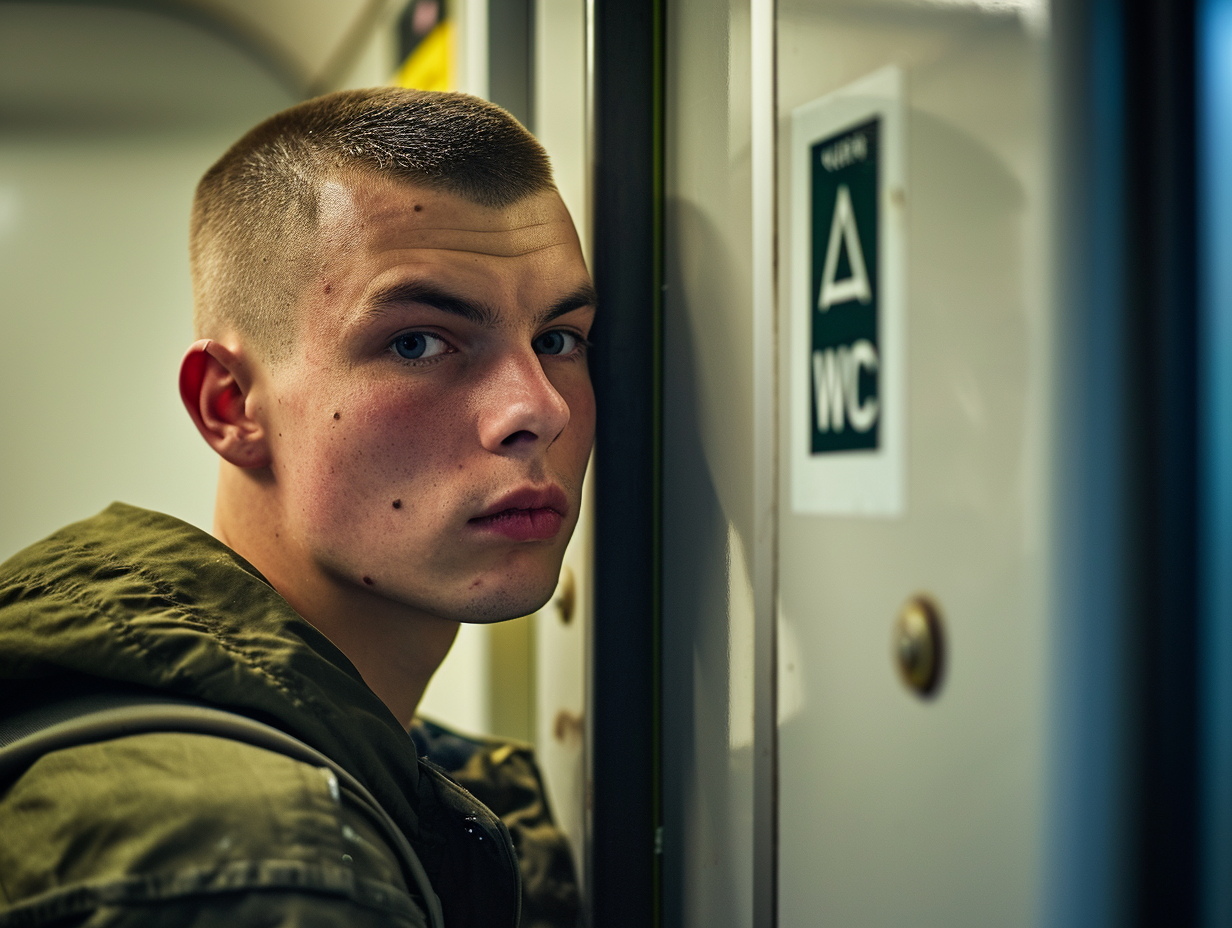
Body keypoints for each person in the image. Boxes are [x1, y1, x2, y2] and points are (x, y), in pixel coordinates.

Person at [0, 87, 594, 928]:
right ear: (230, 405)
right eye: (418, 342)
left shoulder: (371, 760)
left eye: (559, 339)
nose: (539, 409)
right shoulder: (260, 867)